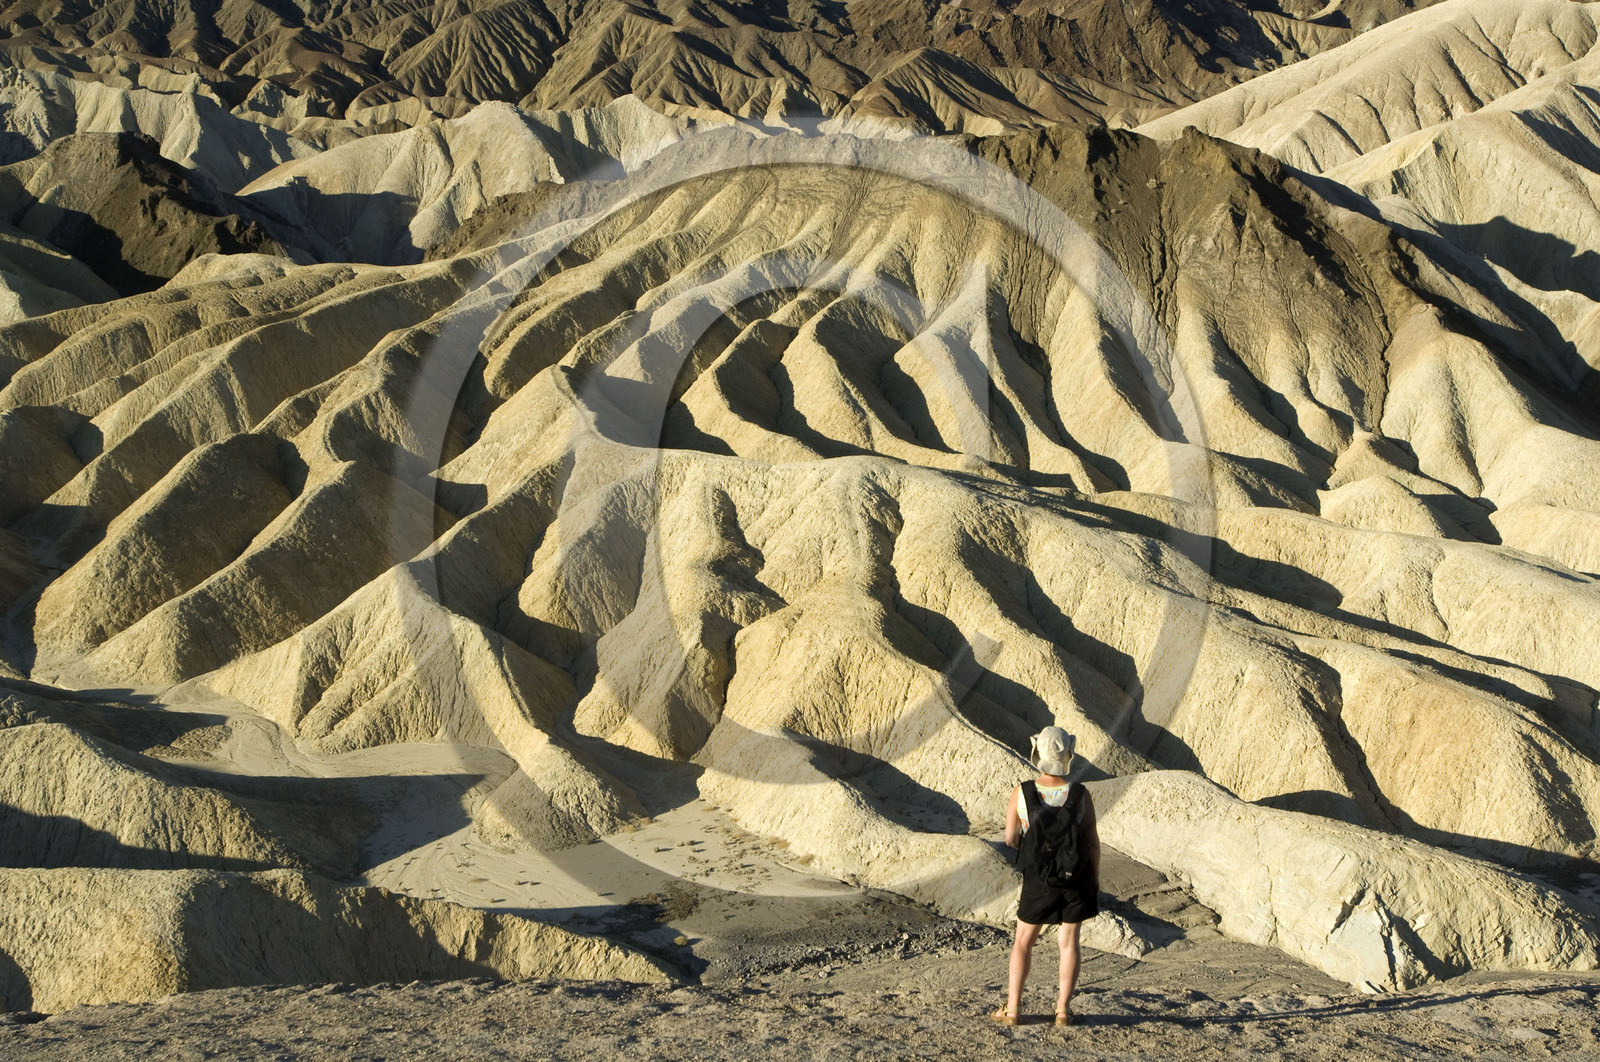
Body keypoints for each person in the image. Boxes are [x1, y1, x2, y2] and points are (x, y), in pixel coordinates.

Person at [992, 725, 1100, 1027]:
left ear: (1037, 752)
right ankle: (1063, 1010)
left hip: (1038, 877)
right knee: (1069, 943)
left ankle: (1013, 1009)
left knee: (1023, 942)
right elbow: (1091, 842)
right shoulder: (1080, 795)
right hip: (1075, 877)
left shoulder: (1022, 792)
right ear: (1068, 754)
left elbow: (1011, 837)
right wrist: (1095, 879)